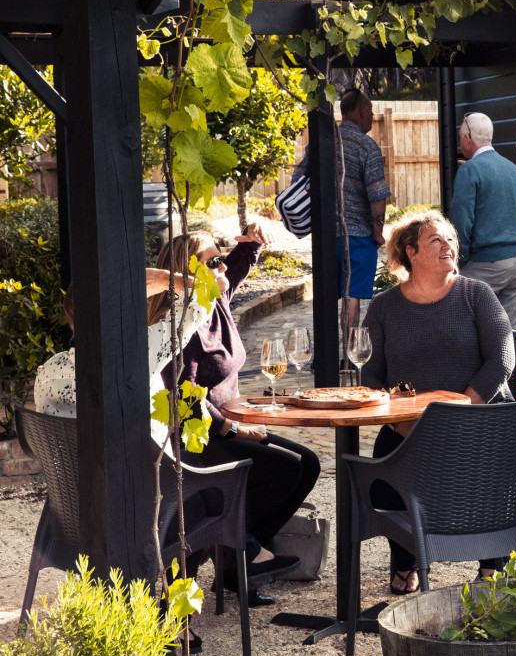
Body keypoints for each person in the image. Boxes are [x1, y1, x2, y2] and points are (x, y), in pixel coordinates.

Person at [158, 227, 320, 605]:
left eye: (221, 257)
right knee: (283, 469)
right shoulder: (179, 325)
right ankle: (238, 552)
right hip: (199, 436)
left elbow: (233, 273)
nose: (222, 266)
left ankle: (238, 559)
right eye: (213, 261)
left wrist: (250, 244)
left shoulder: (213, 301)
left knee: (306, 464)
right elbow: (182, 396)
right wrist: (232, 427)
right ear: (186, 273)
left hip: (229, 425)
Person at [361, 211, 515, 594]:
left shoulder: (476, 293)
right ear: (411, 252)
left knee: (481, 474)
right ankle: (406, 559)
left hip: (476, 421)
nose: (449, 246)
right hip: (410, 425)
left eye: (451, 239)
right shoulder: (384, 307)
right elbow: (369, 375)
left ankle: (491, 565)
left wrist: (459, 412)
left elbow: (503, 359)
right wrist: (400, 421)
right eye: (436, 240)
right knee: (383, 477)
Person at [33, 271, 209, 439]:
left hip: (72, 471)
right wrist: (163, 279)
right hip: (146, 468)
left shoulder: (47, 373)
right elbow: (201, 299)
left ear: (72, 321)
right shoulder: (139, 353)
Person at [451, 111, 516, 327]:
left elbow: (461, 222)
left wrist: (459, 261)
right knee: (510, 329)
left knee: (466, 322)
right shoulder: (513, 169)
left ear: (468, 138)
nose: (461, 143)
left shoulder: (469, 170)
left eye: (461, 138)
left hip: (487, 261)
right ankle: (509, 362)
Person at [335, 88, 391, 342]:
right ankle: (348, 354)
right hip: (357, 235)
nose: (371, 117)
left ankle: (324, 355)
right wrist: (378, 231)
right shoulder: (367, 146)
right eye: (369, 112)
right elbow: (378, 195)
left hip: (327, 236)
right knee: (352, 295)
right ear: (360, 112)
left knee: (329, 294)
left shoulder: (322, 142)